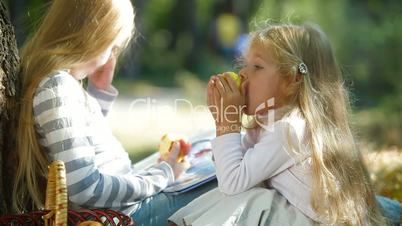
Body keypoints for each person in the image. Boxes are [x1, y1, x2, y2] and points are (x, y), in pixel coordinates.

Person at [169, 22, 392, 225]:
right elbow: (234, 169)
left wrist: (226, 123)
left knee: (253, 200)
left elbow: (232, 183)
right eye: (244, 65)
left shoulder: (288, 128)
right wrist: (224, 119)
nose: (243, 74)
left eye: (257, 67)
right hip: (297, 213)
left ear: (292, 79)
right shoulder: (267, 123)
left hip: (312, 221)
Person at [12, 0, 187, 215]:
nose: (110, 58)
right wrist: (164, 174)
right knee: (219, 191)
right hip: (120, 214)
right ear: (96, 38)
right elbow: (86, 189)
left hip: (119, 207)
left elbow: (87, 146)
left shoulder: (59, 84)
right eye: (112, 47)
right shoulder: (57, 87)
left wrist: (98, 93)